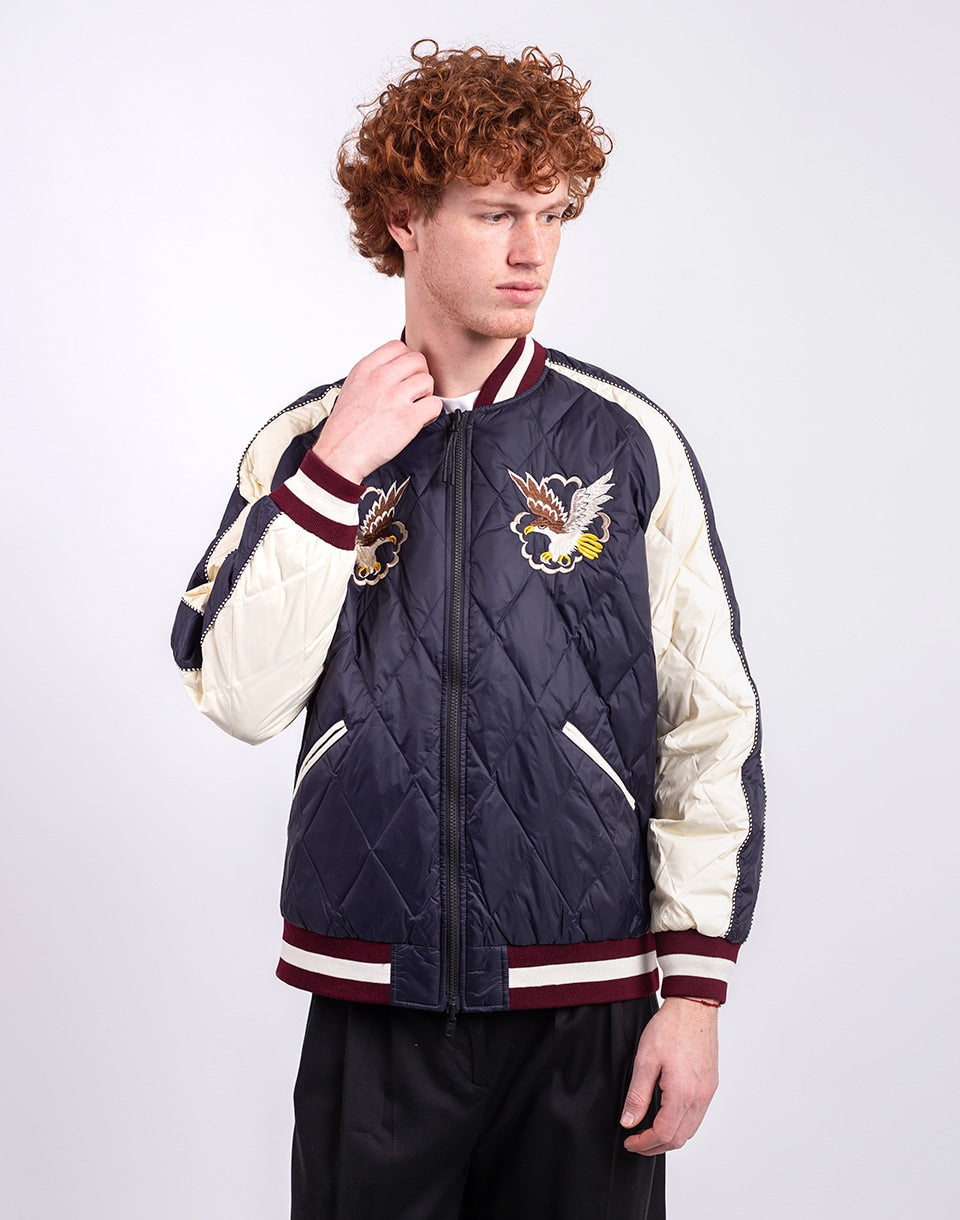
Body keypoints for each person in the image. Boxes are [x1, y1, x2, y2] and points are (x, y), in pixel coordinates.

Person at [172, 40, 765, 1220]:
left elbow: (709, 718)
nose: (533, 250)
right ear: (405, 219)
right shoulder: (304, 445)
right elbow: (237, 694)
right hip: (374, 999)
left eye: (552, 214)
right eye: (497, 213)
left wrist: (693, 994)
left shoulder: (625, 441)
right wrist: (336, 470)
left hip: (588, 1006)